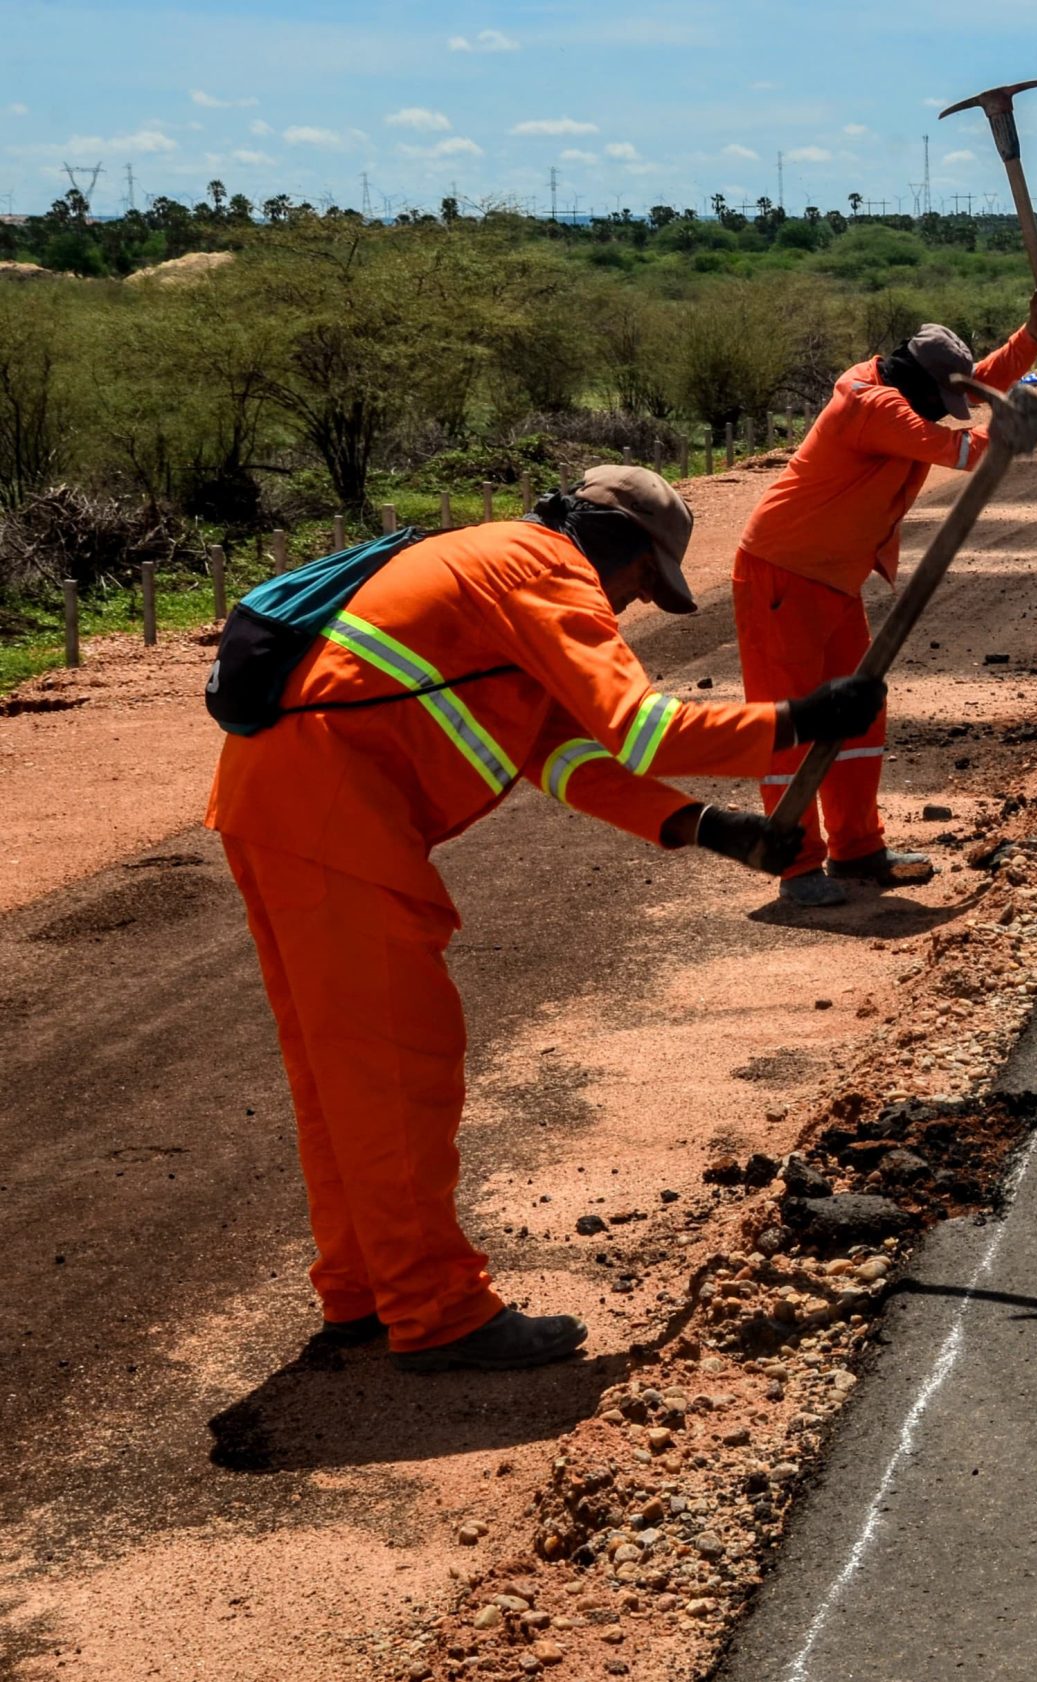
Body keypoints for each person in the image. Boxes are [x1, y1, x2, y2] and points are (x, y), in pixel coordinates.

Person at [208, 467, 877, 1372]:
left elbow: (564, 753)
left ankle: (366, 1286)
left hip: (280, 810)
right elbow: (644, 731)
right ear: (623, 548)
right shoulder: (543, 572)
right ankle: (437, 1312)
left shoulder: (489, 571)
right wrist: (802, 717)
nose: (637, 605)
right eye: (645, 583)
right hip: (337, 823)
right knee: (402, 1070)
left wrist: (711, 829)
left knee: (342, 1074)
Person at [731, 281, 1037, 906]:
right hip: (780, 575)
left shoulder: (905, 384)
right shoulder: (875, 407)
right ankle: (793, 866)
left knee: (858, 717)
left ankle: (856, 849)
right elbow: (965, 449)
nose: (947, 404)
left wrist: (1032, 334)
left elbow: (978, 378)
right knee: (788, 726)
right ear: (918, 383)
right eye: (941, 398)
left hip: (833, 577)